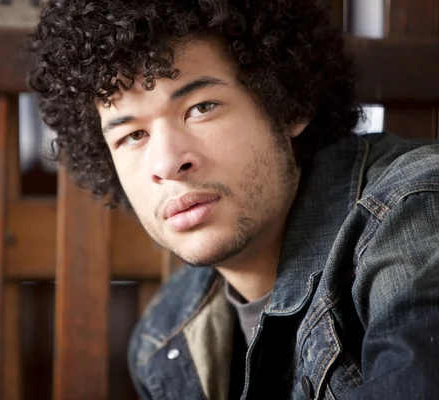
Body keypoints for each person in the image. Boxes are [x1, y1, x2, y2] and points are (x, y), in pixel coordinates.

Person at [28, 0, 439, 398]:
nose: (168, 163)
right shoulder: (165, 341)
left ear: (288, 104)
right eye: (132, 136)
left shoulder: (414, 212)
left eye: (201, 107)